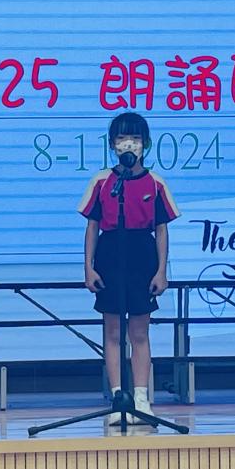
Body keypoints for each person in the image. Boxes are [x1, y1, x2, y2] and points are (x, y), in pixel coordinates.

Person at [77, 112, 180, 426]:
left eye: (135, 138)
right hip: (110, 254)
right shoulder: (102, 181)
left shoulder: (156, 183)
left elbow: (161, 229)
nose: (128, 144)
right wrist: (88, 268)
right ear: (112, 144)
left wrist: (161, 271)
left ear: (145, 144)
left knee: (138, 332)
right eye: (122, 138)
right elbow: (92, 227)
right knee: (111, 332)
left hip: (141, 254)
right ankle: (117, 397)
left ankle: (141, 398)